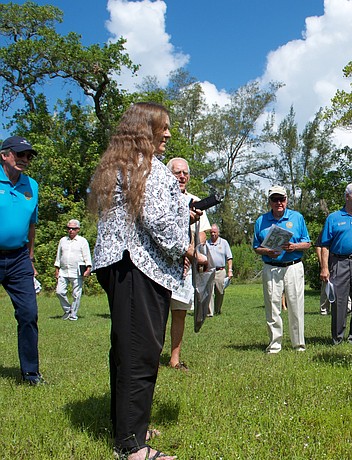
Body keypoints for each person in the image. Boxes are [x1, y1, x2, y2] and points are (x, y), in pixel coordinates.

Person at [90, 102, 205, 460]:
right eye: (163, 127)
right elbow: (158, 223)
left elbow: (147, 213)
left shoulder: (125, 162)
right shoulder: (148, 166)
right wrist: (185, 248)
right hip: (138, 266)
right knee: (140, 353)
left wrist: (179, 212)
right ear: (145, 129)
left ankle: (128, 426)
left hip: (121, 264)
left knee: (126, 350)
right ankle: (133, 446)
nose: (168, 134)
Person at [0, 135, 43, 385]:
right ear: (4, 154)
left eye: (28, 156)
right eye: (20, 154)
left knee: (28, 313)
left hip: (18, 259)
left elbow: (31, 225)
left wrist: (30, 257)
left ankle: (31, 373)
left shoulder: (31, 186)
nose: (25, 159)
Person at [165, 157, 211, 371]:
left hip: (185, 267)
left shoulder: (195, 200)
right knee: (157, 313)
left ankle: (174, 359)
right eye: (177, 172)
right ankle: (150, 357)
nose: (182, 176)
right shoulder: (162, 199)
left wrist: (191, 251)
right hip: (163, 265)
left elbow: (202, 233)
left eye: (185, 173)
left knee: (180, 312)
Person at [253, 185, 310, 353]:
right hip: (271, 267)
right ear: (269, 201)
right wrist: (267, 251)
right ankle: (275, 344)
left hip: (293, 266)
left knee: (296, 305)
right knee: (272, 305)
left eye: (282, 199)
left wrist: (294, 246)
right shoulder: (261, 221)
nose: (279, 202)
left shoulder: (297, 218)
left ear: (287, 200)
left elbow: (307, 243)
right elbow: (256, 247)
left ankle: (298, 344)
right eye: (275, 199)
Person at [319, 183, 352, 345]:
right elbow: (324, 245)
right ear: (347, 196)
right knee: (339, 302)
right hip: (339, 262)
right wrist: (325, 268)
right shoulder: (333, 218)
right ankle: (337, 338)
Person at [54, 219, 92, 321]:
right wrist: (57, 269)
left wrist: (88, 269)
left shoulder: (82, 241)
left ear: (78, 229)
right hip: (64, 271)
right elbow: (58, 256)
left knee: (76, 294)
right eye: (69, 228)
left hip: (77, 271)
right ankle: (68, 310)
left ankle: (73, 315)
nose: (71, 230)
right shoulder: (63, 240)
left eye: (73, 229)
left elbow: (87, 256)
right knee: (59, 292)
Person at [206, 224, 233, 315]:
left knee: (220, 291)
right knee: (209, 292)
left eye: (214, 232)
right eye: (211, 232)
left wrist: (230, 270)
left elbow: (229, 258)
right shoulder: (206, 243)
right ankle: (210, 312)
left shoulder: (224, 243)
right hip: (209, 271)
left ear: (218, 232)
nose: (213, 234)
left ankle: (217, 310)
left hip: (220, 271)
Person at [315, 234, 330, 315]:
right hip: (327, 262)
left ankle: (347, 308)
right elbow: (318, 246)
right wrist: (323, 264)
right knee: (325, 286)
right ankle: (324, 309)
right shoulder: (325, 231)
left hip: (340, 261)